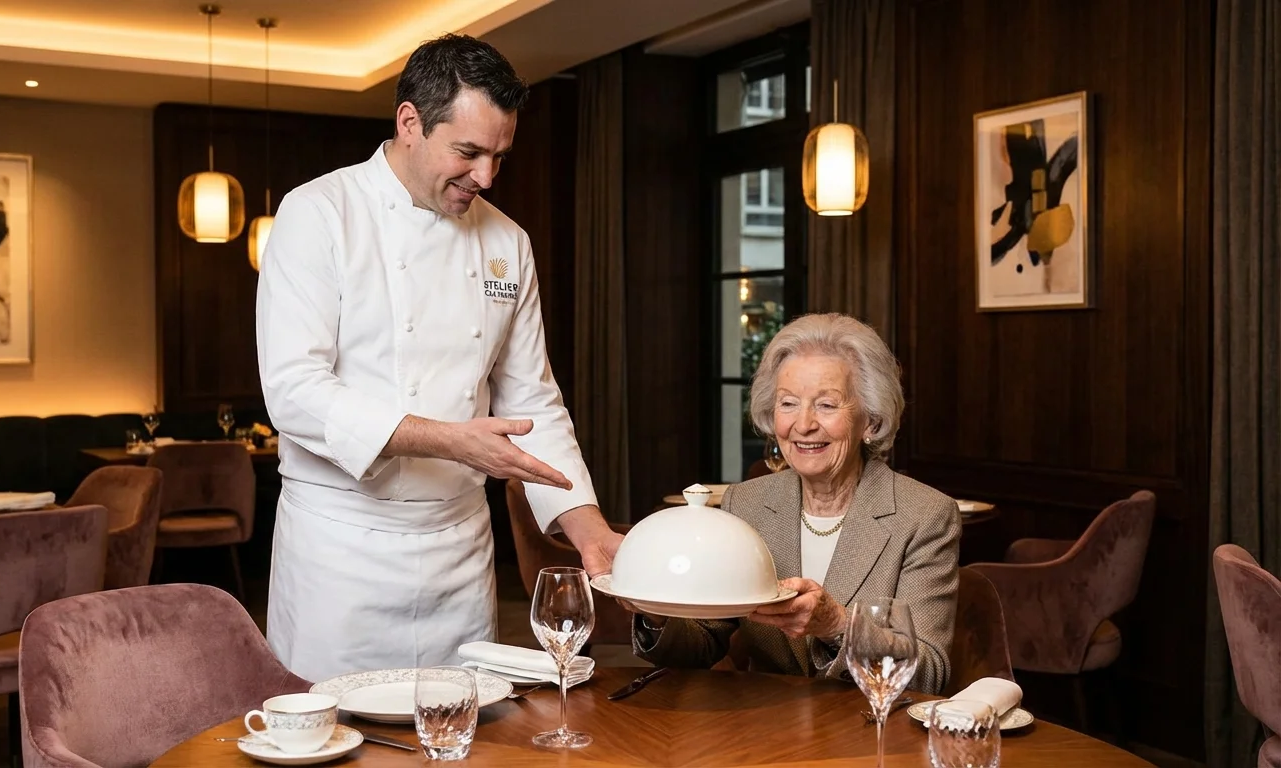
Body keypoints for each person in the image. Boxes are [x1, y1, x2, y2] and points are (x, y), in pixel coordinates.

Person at [256, 33, 622, 682]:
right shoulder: (318, 215)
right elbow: (295, 392)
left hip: (459, 557)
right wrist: (452, 441)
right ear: (409, 123)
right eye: (469, 152)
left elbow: (533, 401)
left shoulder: (508, 241)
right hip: (341, 559)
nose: (485, 177)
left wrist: (590, 532)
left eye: (499, 157)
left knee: (467, 741)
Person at [631, 313, 959, 694]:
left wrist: (837, 625)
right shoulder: (746, 503)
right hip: (764, 731)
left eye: (826, 405)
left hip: (869, 736)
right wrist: (653, 610)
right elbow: (702, 644)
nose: (802, 425)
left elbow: (929, 674)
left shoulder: (924, 515)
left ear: (869, 420)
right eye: (788, 404)